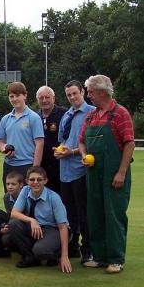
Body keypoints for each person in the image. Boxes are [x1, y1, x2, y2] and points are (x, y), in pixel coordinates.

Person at [79, 75, 135, 274]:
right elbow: (81, 141)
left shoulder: (120, 114)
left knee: (114, 215)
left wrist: (121, 172)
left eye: (90, 92)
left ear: (102, 92)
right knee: (95, 215)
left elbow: (129, 143)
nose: (88, 96)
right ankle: (100, 256)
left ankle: (116, 259)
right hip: (93, 174)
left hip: (114, 174)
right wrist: (84, 155)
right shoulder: (91, 116)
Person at [54, 80, 95, 262]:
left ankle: (88, 250)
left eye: (75, 94)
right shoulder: (67, 115)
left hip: (81, 170)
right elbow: (63, 140)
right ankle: (73, 247)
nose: (72, 97)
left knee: (84, 214)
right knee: (69, 213)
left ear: (83, 92)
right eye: (69, 95)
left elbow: (90, 143)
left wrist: (73, 152)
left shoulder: (91, 113)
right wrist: (59, 150)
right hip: (65, 172)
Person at [4, 167, 72, 273]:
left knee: (40, 250)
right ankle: (31, 258)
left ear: (45, 181)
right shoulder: (25, 190)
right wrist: (32, 220)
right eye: (32, 180)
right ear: (27, 181)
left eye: (39, 179)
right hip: (35, 227)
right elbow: (14, 213)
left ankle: (55, 254)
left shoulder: (54, 198)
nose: (35, 182)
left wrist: (65, 256)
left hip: (53, 229)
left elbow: (63, 227)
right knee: (9, 234)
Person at [0, 82, 44, 189]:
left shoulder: (34, 117)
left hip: (27, 165)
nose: (14, 99)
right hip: (9, 166)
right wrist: (4, 149)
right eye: (11, 96)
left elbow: (39, 144)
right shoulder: (5, 119)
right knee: (9, 199)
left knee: (27, 202)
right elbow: (0, 140)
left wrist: (35, 169)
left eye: (17, 95)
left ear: (25, 95)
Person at [0, 171, 24, 259]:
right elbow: (11, 215)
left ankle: (25, 250)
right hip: (14, 221)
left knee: (9, 234)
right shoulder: (7, 197)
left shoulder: (27, 195)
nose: (10, 187)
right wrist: (4, 226)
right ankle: (0, 249)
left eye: (13, 184)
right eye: (8, 184)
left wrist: (9, 227)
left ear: (21, 184)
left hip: (25, 223)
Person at [36, 86, 66, 194]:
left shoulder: (64, 114)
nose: (44, 100)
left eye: (47, 97)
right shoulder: (35, 117)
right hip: (41, 165)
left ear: (53, 98)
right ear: (37, 100)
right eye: (41, 98)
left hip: (60, 164)